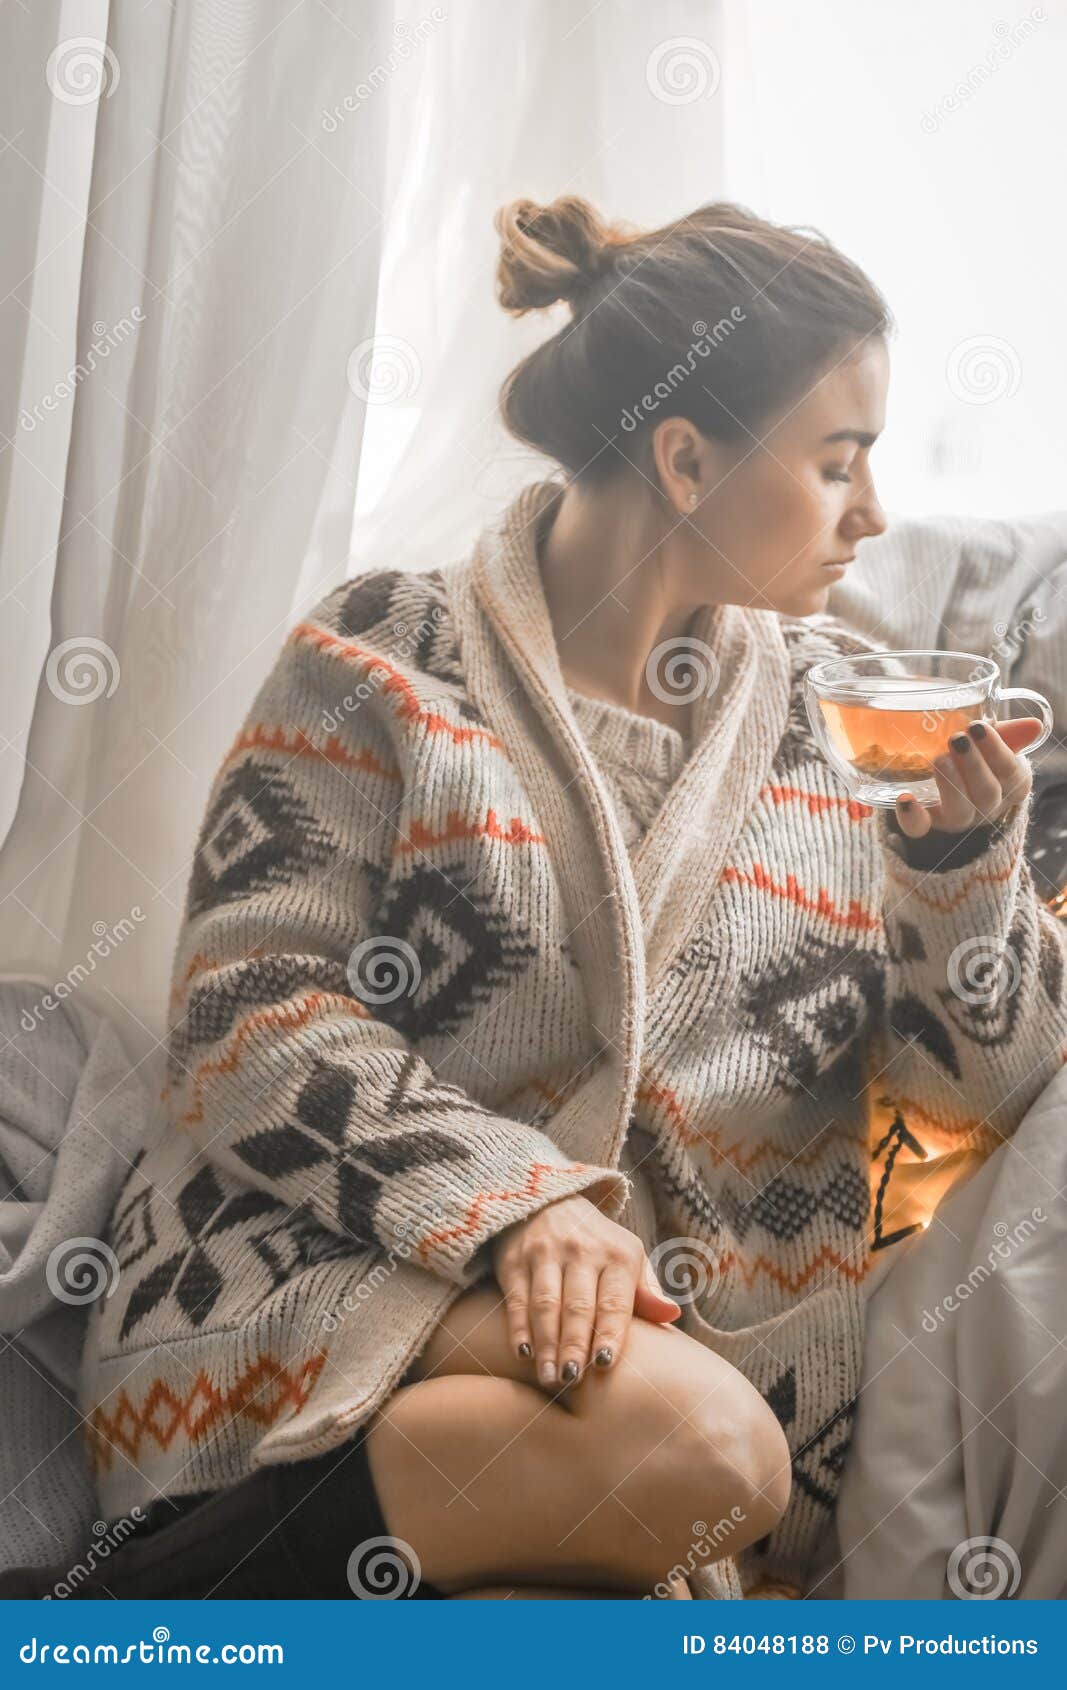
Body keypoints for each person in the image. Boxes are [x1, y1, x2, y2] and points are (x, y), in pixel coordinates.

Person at [17, 195, 1066, 1603]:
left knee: (647, 1498)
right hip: (334, 1280)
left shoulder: (844, 727)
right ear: (687, 459)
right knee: (694, 1450)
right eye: (838, 465)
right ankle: (115, 1617)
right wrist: (514, 1205)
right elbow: (245, 1011)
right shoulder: (387, 660)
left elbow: (984, 1108)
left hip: (676, 1373)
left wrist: (961, 878)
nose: (874, 515)